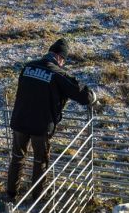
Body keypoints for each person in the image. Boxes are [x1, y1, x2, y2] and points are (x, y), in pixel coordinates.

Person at [6, 38, 96, 203]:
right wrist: (93, 96)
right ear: (60, 58)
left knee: (17, 156)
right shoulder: (57, 74)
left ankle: (11, 195)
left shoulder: (28, 67)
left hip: (20, 120)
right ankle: (37, 196)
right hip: (41, 125)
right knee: (40, 160)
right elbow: (84, 96)